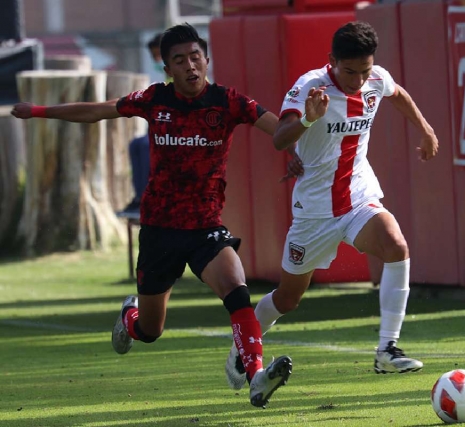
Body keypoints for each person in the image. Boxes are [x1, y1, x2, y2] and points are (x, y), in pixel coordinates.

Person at [12, 23, 292, 409]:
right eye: (180, 60)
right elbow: (99, 111)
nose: (190, 66)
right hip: (160, 230)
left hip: (205, 226)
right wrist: (41, 111)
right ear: (167, 69)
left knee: (237, 288)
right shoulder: (154, 99)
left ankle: (256, 376)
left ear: (206, 60)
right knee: (150, 329)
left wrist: (300, 144)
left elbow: (278, 131)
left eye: (196, 57)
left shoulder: (229, 102)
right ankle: (130, 317)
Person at [225, 20, 439, 390]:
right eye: (349, 71)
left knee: (396, 246)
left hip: (358, 197)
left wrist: (425, 129)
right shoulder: (310, 86)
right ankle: (241, 349)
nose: (358, 80)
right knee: (288, 299)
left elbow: (398, 94)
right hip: (314, 213)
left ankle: (387, 349)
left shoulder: (376, 79)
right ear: (332, 61)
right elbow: (279, 139)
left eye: (365, 71)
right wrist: (309, 118)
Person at [118, 33, 166, 217]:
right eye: (153, 56)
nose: (156, 60)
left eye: (158, 54)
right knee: (136, 144)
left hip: (182, 133)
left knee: (146, 145)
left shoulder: (187, 76)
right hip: (162, 129)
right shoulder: (164, 79)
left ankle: (150, 197)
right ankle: (140, 197)